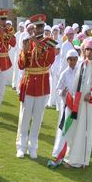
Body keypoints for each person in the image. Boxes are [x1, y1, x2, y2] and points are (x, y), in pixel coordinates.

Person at [15, 14, 56, 159]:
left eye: (41, 26)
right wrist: (25, 50)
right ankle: (21, 146)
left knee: (38, 118)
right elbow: (21, 65)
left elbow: (49, 60)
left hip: (42, 85)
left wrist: (35, 42)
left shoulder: (49, 42)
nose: (39, 29)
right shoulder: (27, 42)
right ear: (32, 28)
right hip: (28, 82)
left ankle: (33, 147)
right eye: (36, 27)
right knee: (25, 116)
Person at [61, 40, 92, 168]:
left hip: (89, 104)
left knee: (87, 131)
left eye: (91, 50)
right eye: (87, 49)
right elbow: (75, 85)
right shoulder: (81, 64)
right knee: (75, 130)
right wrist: (71, 99)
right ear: (84, 50)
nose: (89, 52)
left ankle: (84, 160)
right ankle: (74, 159)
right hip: (78, 103)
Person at [52, 48, 79, 157]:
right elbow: (58, 88)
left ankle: (72, 152)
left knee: (75, 128)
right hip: (66, 105)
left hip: (76, 105)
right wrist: (62, 92)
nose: (72, 62)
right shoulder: (64, 73)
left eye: (74, 60)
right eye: (70, 60)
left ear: (77, 60)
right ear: (67, 60)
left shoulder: (79, 71)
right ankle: (59, 151)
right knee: (63, 128)